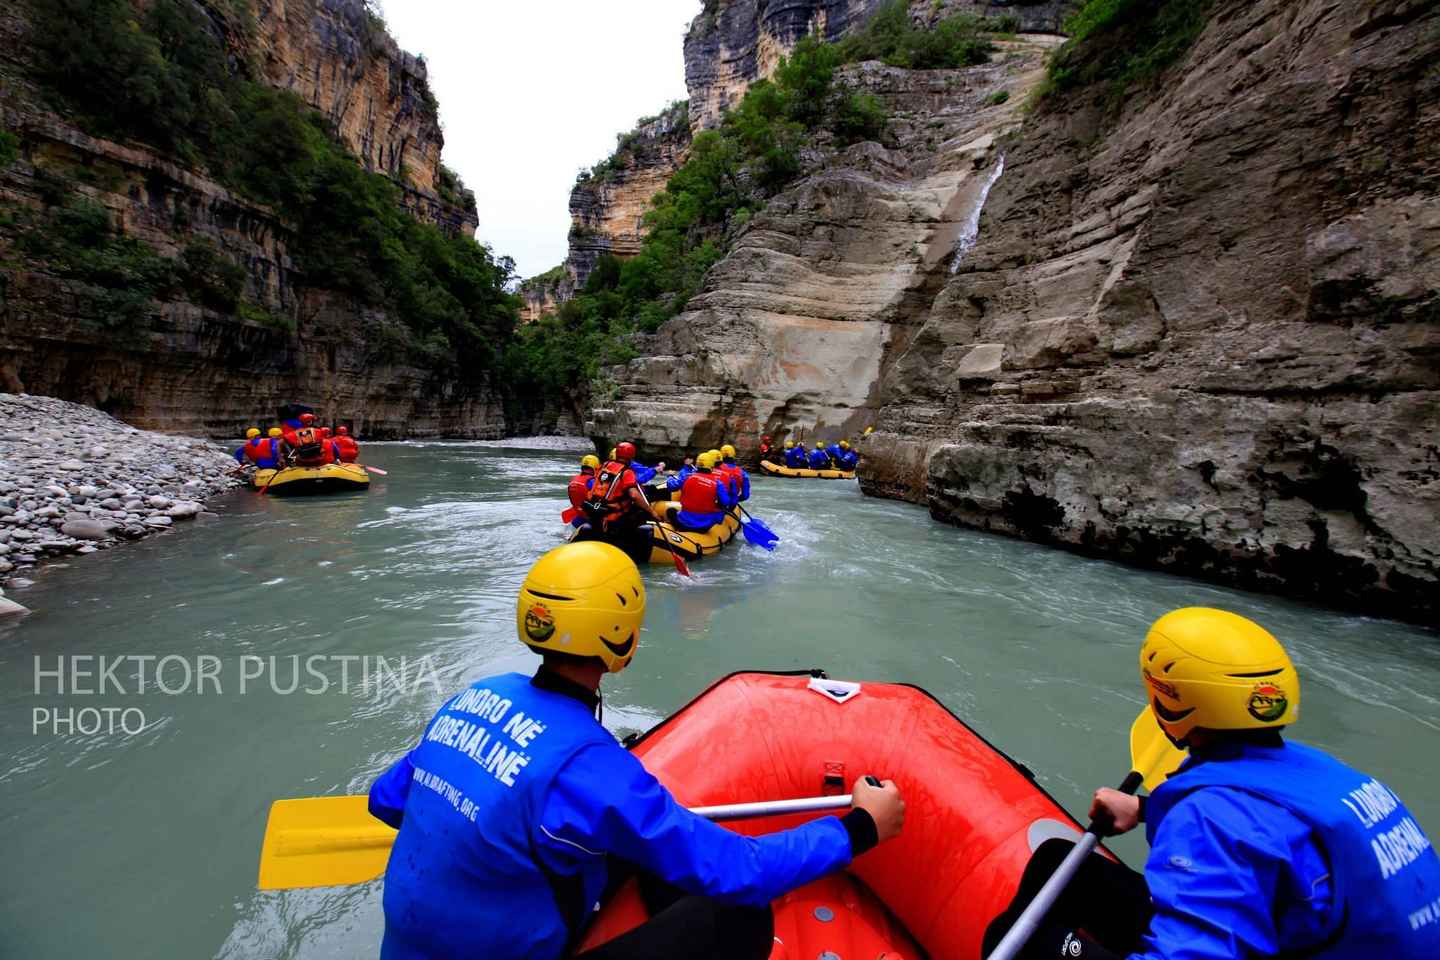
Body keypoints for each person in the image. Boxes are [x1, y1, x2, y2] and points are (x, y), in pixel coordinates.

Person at [368, 542, 905, 960]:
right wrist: (859, 828)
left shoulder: (474, 697)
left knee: (615, 848)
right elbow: (740, 870)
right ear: (621, 635)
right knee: (740, 916)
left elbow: (385, 802)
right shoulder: (592, 770)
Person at [983, 607, 1440, 960]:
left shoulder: (1210, 818)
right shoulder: (1319, 769)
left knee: (1017, 937)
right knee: (1061, 862)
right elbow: (1268, 834)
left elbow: (1228, 833)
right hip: (1313, 941)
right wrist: (1143, 809)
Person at [672, 450, 734, 531]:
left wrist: (670, 476)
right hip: (705, 526)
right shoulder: (718, 483)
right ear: (711, 466)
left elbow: (672, 486)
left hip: (684, 522)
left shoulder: (686, 477)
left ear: (697, 465)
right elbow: (725, 502)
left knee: (671, 511)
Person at [566, 454, 600, 527]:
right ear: (595, 468)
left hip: (578, 518)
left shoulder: (573, 480)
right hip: (591, 518)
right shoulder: (592, 482)